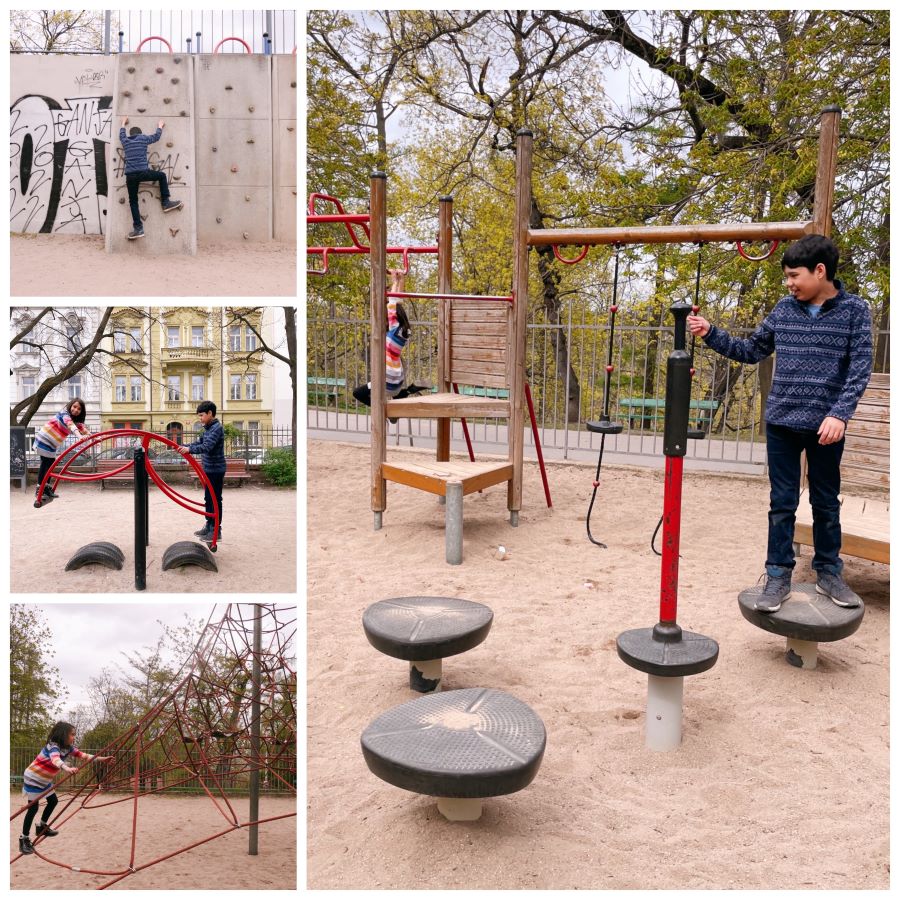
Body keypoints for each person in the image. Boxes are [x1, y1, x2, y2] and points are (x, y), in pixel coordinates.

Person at [687, 234, 872, 613]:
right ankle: (777, 575)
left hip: (826, 426)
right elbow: (751, 350)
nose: (789, 283)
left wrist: (840, 414)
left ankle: (829, 572)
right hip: (783, 421)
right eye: (786, 277)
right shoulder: (785, 309)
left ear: (820, 271)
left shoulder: (855, 310)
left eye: (794, 276)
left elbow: (859, 369)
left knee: (825, 502)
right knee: (782, 503)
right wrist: (710, 333)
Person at [19, 721, 112, 855]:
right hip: (34, 778)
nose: (74, 737)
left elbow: (84, 755)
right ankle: (23, 839)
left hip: (45, 780)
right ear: (63, 734)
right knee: (33, 808)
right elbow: (55, 760)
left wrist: (103, 759)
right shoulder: (53, 746)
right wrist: (67, 768)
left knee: (53, 801)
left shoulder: (68, 748)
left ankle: (41, 826)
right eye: (72, 734)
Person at [353, 269, 428, 421]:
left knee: (358, 393)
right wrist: (401, 281)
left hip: (387, 381)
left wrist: (395, 281)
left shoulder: (393, 328)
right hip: (396, 381)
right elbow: (398, 301)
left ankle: (388, 412)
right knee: (391, 391)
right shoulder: (403, 330)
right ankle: (406, 392)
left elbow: (393, 302)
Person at [119, 116, 183, 241]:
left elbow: (121, 134)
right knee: (162, 176)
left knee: (133, 201)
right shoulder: (143, 139)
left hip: (130, 176)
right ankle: (165, 202)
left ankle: (138, 229)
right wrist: (160, 126)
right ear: (140, 133)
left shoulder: (125, 141)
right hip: (143, 172)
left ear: (131, 134)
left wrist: (123, 123)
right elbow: (156, 137)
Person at [180, 401, 225, 543]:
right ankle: (209, 524)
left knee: (215, 499)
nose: (200, 419)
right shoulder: (208, 428)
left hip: (216, 469)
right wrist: (185, 446)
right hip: (209, 469)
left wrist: (190, 450)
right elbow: (199, 442)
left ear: (210, 413)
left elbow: (207, 446)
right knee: (208, 499)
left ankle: (216, 529)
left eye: (202, 416)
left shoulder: (216, 428)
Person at [33, 398, 90, 501]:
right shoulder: (64, 414)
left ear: (81, 412)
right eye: (74, 407)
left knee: (50, 463)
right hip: (44, 439)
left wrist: (95, 437)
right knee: (46, 463)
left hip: (52, 443)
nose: (76, 410)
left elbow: (84, 430)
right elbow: (70, 425)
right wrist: (79, 436)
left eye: (79, 409)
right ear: (70, 406)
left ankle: (46, 488)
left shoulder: (77, 421)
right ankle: (39, 489)